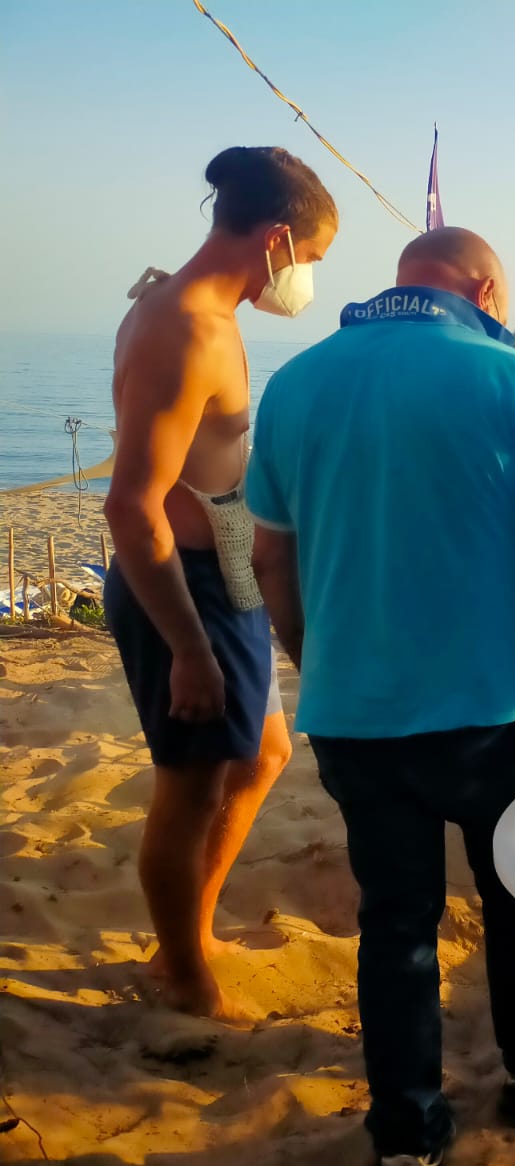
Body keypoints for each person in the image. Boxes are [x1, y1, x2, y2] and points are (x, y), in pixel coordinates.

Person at [247, 227, 515, 1166]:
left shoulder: (296, 383)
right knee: (513, 897)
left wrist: (322, 662)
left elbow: (271, 558)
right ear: (484, 289)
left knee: (394, 919)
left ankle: (406, 1131)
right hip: (492, 708)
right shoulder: (512, 379)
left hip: (355, 709)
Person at [103, 146, 337, 1022]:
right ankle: (184, 972)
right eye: (310, 260)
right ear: (277, 240)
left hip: (223, 570)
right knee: (190, 783)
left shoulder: (208, 309)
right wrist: (188, 651)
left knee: (266, 753)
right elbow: (132, 508)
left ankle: (187, 936)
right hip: (179, 585)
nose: (306, 280)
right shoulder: (183, 327)